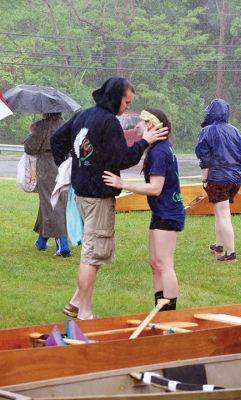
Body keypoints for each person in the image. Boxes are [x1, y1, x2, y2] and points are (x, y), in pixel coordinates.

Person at [50, 77, 168, 320]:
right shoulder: (109, 122)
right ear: (115, 97)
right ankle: (84, 313)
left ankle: (75, 303)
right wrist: (146, 141)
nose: (126, 107)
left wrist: (75, 168)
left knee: (96, 250)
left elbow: (57, 140)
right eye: (126, 102)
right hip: (98, 197)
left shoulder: (84, 115)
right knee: (92, 256)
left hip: (82, 193)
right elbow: (123, 159)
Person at [103, 108, 185, 311]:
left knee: (165, 263)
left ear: (150, 125)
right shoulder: (157, 148)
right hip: (161, 211)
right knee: (154, 262)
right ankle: (159, 308)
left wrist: (123, 184)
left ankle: (169, 313)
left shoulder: (159, 151)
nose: (137, 124)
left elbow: (155, 188)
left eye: (141, 121)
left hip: (168, 212)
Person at [195, 98, 241, 262]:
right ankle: (218, 246)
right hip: (235, 179)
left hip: (217, 179)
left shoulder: (207, 131)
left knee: (224, 213)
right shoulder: (237, 132)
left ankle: (230, 253)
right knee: (219, 211)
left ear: (210, 112)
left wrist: (205, 180)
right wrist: (236, 172)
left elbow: (203, 156)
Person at [24, 113, 71, 257]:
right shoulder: (66, 124)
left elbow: (30, 148)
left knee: (52, 202)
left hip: (48, 166)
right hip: (64, 164)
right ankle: (41, 241)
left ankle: (63, 244)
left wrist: (31, 134)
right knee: (52, 201)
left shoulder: (42, 126)